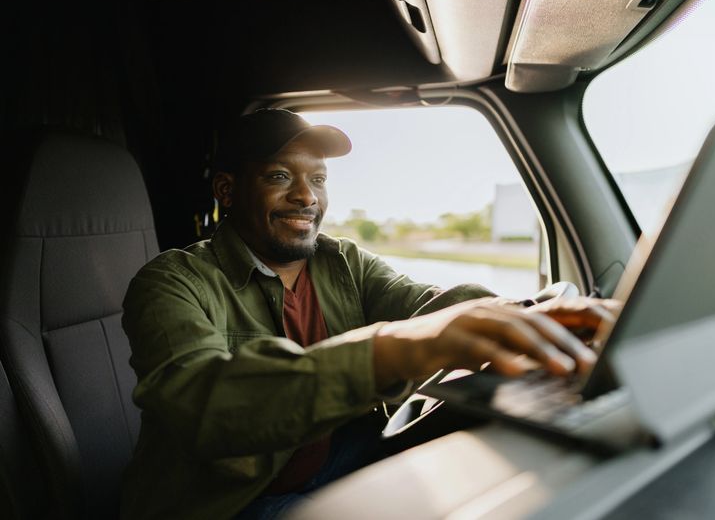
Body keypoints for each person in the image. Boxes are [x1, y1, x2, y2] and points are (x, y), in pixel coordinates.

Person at [121, 108, 616, 519]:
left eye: (317, 179)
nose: (306, 196)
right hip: (232, 500)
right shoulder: (171, 282)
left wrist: (528, 314)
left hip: (339, 455)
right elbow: (206, 406)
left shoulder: (343, 262)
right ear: (227, 191)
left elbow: (427, 305)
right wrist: (391, 349)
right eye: (279, 176)